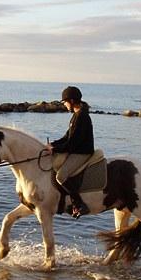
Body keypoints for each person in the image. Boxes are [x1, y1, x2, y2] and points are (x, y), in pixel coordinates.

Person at [45, 86, 94, 218]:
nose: (64, 105)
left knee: (60, 176)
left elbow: (72, 143)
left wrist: (55, 149)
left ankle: (79, 204)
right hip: (76, 150)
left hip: (82, 153)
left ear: (72, 101)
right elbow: (67, 137)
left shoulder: (81, 117)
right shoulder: (76, 115)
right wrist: (52, 145)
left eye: (65, 102)